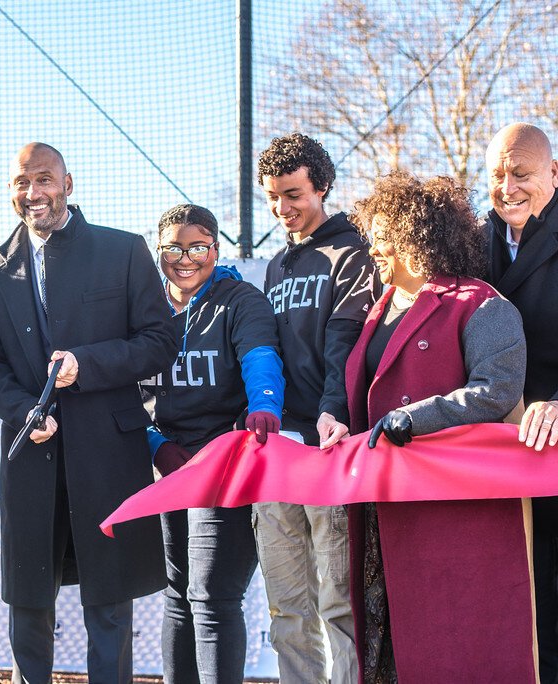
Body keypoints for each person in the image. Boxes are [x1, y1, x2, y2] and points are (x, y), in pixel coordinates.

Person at [0, 143, 177, 683]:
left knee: (108, 604)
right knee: (30, 604)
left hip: (108, 455)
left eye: (44, 179)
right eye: (21, 182)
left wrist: (87, 364)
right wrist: (24, 412)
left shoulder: (123, 251)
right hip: (31, 456)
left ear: (68, 183)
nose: (32, 192)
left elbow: (159, 341)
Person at [323, 171, 532, 681]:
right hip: (380, 506)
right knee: (388, 644)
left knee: (452, 644)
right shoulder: (376, 309)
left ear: (413, 234)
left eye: (381, 234)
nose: (371, 247)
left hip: (454, 514)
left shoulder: (479, 302)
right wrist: (340, 424)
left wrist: (416, 418)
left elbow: (496, 389)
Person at [140, 204, 284, 683]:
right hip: (170, 467)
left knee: (213, 595)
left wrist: (265, 404)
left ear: (215, 249)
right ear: (158, 253)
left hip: (224, 463)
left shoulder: (240, 299)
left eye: (197, 247)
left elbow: (260, 356)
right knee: (179, 594)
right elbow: (125, 391)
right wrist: (154, 443)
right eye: (173, 249)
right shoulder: (145, 308)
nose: (186, 258)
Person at [255, 132, 376, 684]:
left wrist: (334, 412)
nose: (284, 209)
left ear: (321, 187)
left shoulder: (354, 252)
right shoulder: (276, 266)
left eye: (294, 194)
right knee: (287, 609)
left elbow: (345, 345)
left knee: (339, 603)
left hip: (331, 448)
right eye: (274, 197)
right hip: (278, 453)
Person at [484, 122, 558, 682]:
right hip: (493, 457)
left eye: (522, 173)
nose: (507, 186)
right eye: (497, 174)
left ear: (554, 174)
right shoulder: (472, 241)